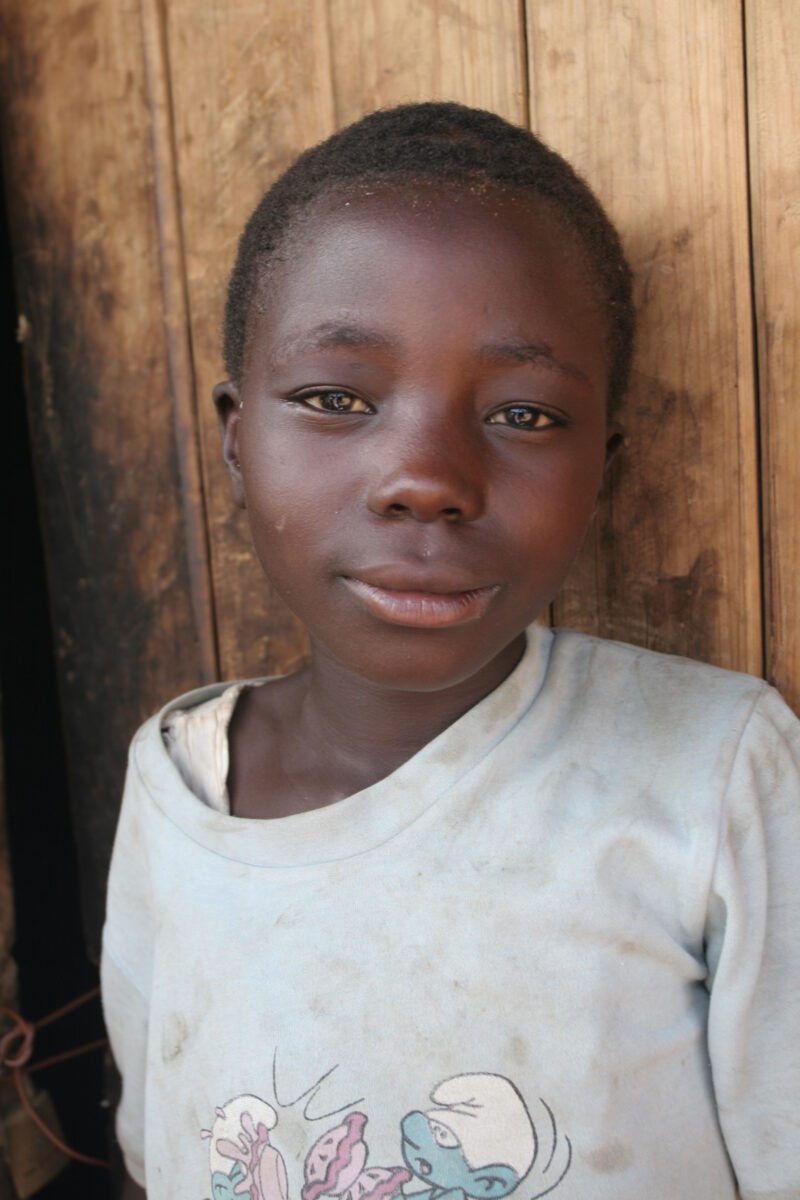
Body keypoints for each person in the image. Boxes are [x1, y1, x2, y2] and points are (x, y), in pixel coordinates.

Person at [101, 103, 800, 1200]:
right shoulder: (179, 783)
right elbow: (163, 1155)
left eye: (523, 416)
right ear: (237, 436)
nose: (426, 478)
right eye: (335, 399)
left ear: (601, 462)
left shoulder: (710, 774)